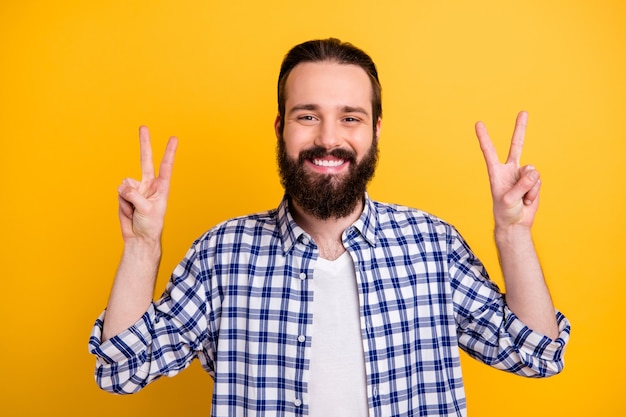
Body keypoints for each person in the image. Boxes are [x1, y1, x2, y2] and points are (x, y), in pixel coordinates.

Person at [89, 38, 570, 417]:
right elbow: (122, 369)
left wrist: (513, 234)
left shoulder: (433, 246)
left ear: (375, 130)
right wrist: (141, 247)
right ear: (280, 128)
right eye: (307, 116)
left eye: (350, 118)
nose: (328, 138)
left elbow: (535, 355)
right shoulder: (223, 253)